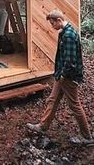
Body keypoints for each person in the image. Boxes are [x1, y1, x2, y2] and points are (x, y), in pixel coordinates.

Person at [26, 9, 93, 144]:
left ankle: (87, 137)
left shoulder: (68, 35)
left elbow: (71, 61)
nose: (52, 26)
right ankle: (43, 126)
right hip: (62, 74)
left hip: (68, 76)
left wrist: (62, 75)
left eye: (52, 23)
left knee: (74, 105)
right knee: (53, 99)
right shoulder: (64, 32)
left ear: (59, 20)